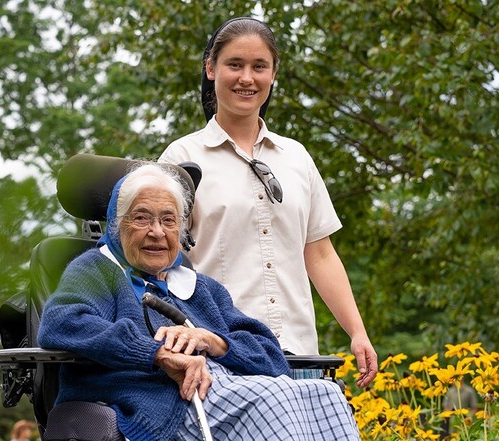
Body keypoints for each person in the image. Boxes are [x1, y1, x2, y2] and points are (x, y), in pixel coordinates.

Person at [37, 162, 361, 441]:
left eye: (168, 220)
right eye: (141, 218)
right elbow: (62, 323)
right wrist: (157, 353)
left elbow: (272, 360)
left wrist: (214, 341)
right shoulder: (98, 271)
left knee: (325, 394)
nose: (157, 232)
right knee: (272, 397)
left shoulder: (200, 287)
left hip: (227, 395)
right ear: (116, 225)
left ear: (181, 230)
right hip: (166, 402)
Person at [159, 17, 377, 387]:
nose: (247, 78)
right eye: (235, 65)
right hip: (222, 352)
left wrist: (357, 331)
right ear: (211, 69)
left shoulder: (296, 157)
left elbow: (320, 253)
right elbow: (159, 263)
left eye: (259, 66)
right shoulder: (180, 158)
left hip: (298, 356)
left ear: (273, 74)